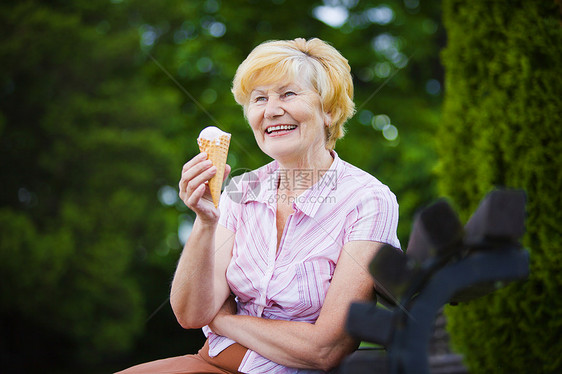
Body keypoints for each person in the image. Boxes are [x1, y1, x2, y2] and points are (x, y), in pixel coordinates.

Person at [116, 37, 400, 374]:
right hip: (210, 363)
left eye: (288, 94)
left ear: (330, 111)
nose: (271, 110)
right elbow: (192, 314)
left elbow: (324, 349)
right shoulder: (240, 189)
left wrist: (224, 321)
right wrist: (204, 221)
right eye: (259, 98)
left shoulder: (367, 200)